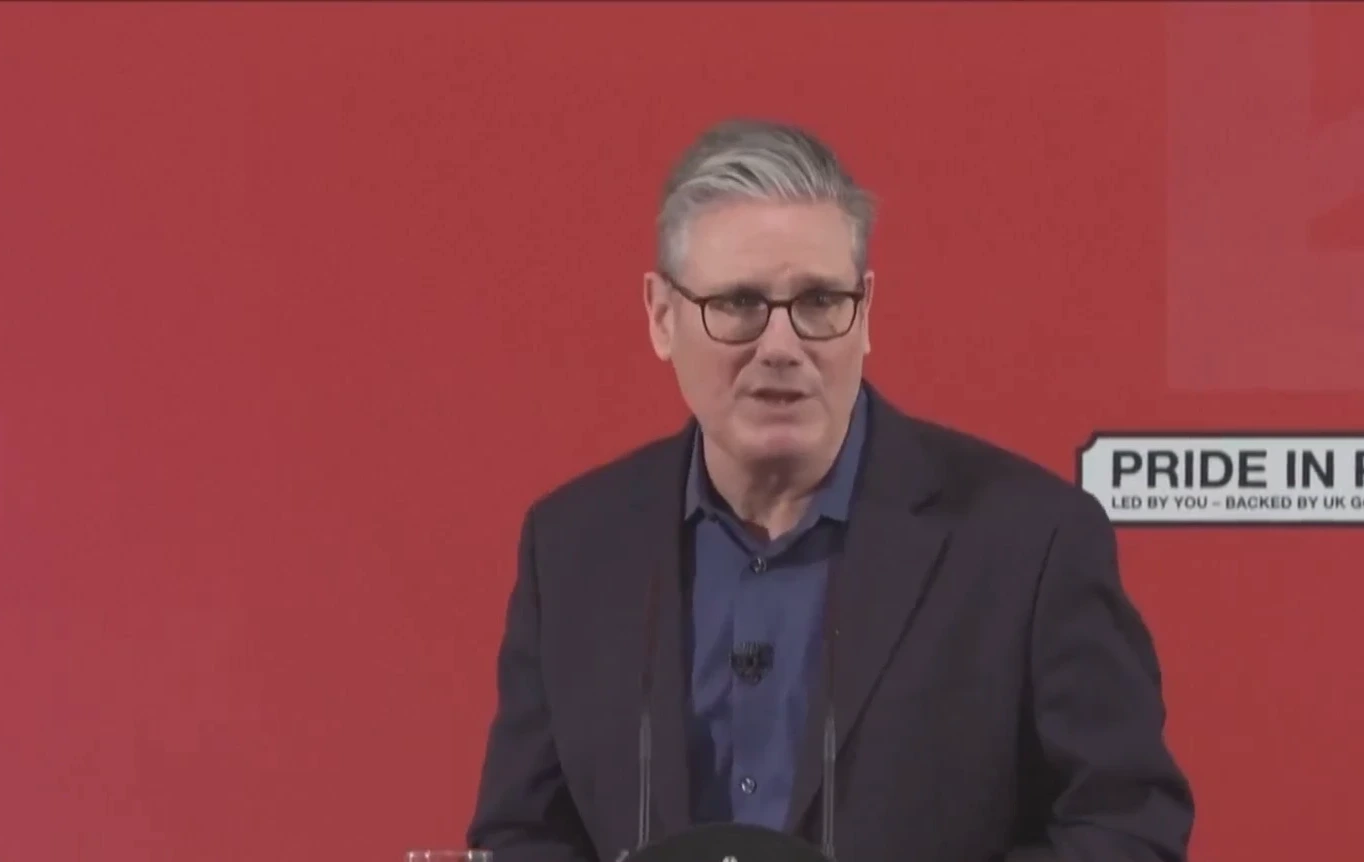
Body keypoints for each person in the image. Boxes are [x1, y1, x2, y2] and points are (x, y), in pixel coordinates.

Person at [466, 119, 1194, 862]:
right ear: (661, 316)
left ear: (865, 312)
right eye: (739, 304)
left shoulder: (1028, 541)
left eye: (818, 301)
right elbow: (525, 833)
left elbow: (1127, 829)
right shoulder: (573, 548)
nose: (782, 347)